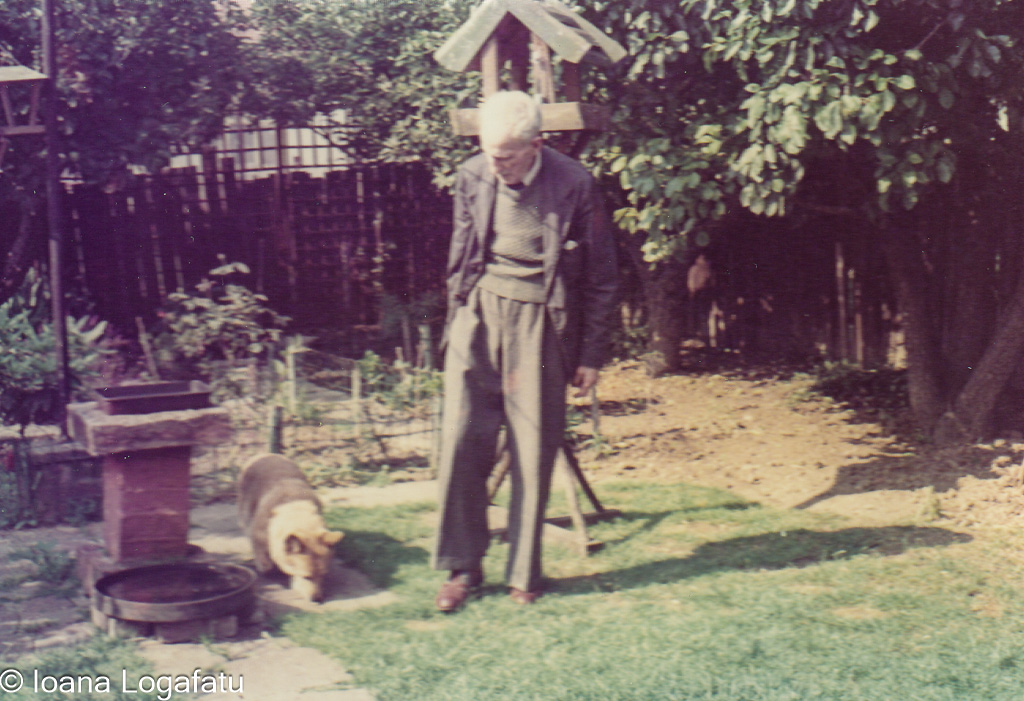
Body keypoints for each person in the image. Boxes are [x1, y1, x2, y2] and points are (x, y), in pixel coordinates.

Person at [432, 90, 619, 611]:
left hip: (541, 320)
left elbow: (603, 276)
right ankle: (461, 569)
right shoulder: (473, 174)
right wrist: (457, 322)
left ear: (537, 145)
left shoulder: (576, 184)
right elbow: (460, 253)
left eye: (508, 157)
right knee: (461, 441)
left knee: (533, 451)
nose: (497, 166)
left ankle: (523, 575)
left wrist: (590, 354)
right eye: (491, 155)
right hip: (480, 315)